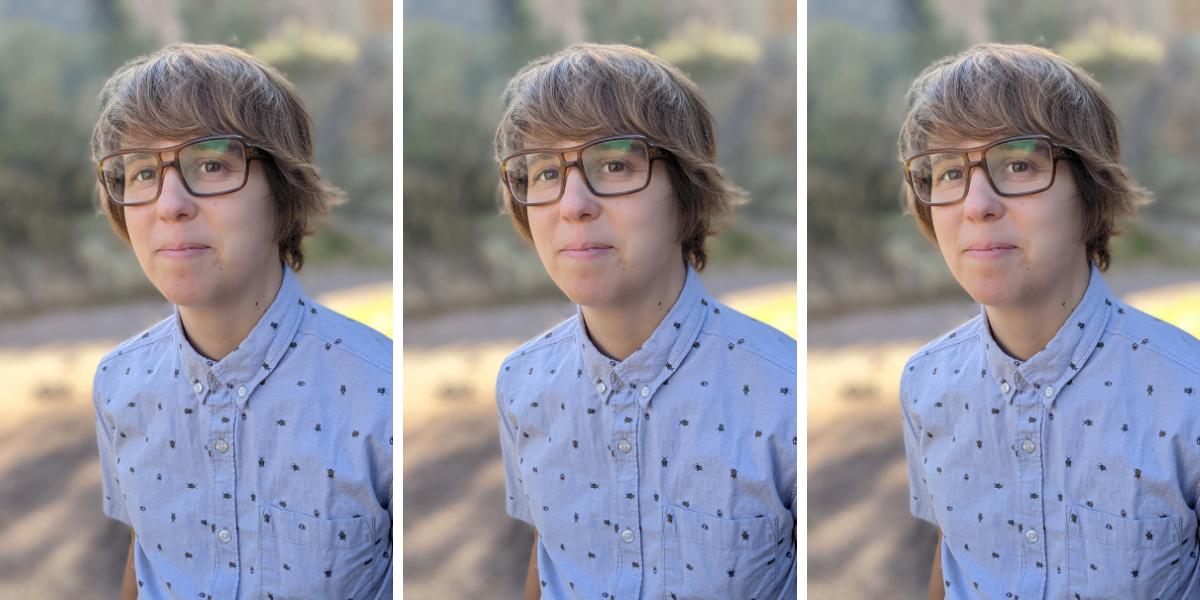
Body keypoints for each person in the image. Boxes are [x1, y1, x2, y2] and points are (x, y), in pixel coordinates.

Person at [492, 43, 798, 600]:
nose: (572, 204)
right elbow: (550, 556)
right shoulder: (521, 385)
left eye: (613, 164)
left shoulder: (787, 393)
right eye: (543, 172)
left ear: (686, 192)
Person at [89, 44, 392, 600]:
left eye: (210, 164)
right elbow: (146, 554)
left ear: (283, 191)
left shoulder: (384, 393)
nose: (169, 204)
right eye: (140, 172)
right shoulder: (117, 385)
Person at [898, 43, 1200, 600]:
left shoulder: (1188, 395)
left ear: (1090, 191)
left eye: (1017, 164)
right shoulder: (924, 385)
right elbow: (953, 556)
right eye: (947, 172)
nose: (976, 204)